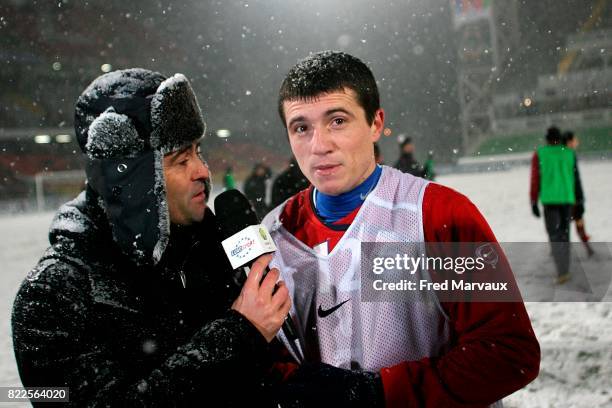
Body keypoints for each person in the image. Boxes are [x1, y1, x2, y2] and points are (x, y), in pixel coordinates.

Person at [264, 51, 540, 407]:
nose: (319, 146)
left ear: (376, 123)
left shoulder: (439, 215)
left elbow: (508, 352)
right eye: (301, 127)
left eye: (337, 121)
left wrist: (380, 393)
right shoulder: (274, 233)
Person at [11, 68, 290, 407]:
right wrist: (239, 333)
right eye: (181, 159)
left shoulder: (205, 250)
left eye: (198, 152)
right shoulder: (53, 295)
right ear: (133, 178)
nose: (203, 170)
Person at [530, 126, 581, 283]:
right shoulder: (570, 153)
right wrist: (580, 201)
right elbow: (576, 180)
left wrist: (533, 201)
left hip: (550, 201)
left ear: (547, 139)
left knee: (554, 235)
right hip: (566, 200)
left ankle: (561, 271)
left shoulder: (539, 154)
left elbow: (535, 179)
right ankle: (565, 268)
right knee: (565, 234)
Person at [563, 130, 594, 256]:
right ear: (569, 141)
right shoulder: (568, 155)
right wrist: (578, 196)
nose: (577, 142)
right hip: (572, 196)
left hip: (566, 196)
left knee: (564, 225)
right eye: (575, 140)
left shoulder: (565, 154)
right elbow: (573, 179)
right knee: (577, 221)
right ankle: (587, 247)